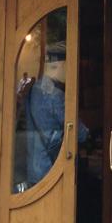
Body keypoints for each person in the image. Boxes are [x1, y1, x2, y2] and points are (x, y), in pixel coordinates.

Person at [24, 56, 88, 187]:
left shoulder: (33, 90)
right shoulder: (55, 95)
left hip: (33, 166)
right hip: (51, 168)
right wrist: (87, 132)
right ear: (60, 66)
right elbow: (79, 132)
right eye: (67, 67)